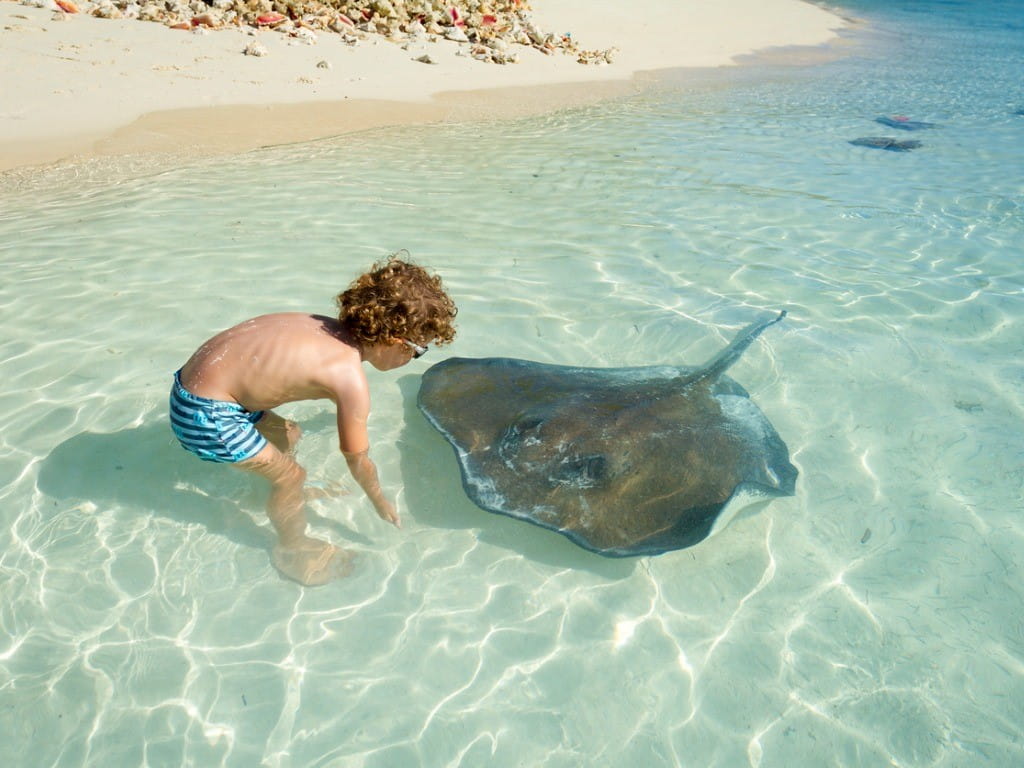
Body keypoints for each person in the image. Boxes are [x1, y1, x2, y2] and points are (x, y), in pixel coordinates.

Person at [169, 256, 457, 585]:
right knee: (292, 476)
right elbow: (356, 458)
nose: (413, 359)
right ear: (394, 342)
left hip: (192, 388)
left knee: (289, 434)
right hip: (207, 415)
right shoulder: (349, 378)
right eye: (417, 351)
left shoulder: (319, 325)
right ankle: (293, 547)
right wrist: (379, 501)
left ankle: (273, 495)